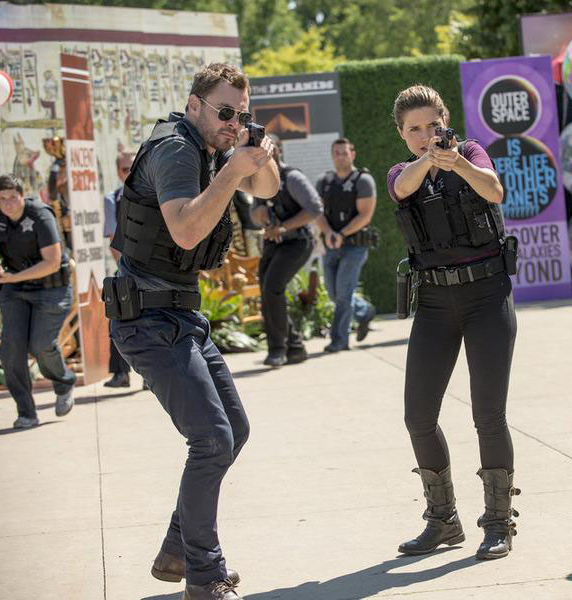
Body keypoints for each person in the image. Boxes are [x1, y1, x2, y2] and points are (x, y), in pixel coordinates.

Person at [106, 63, 278, 600]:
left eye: (240, 114)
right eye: (224, 112)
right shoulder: (178, 150)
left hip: (179, 316)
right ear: (195, 104)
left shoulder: (213, 149)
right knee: (211, 440)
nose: (232, 123)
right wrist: (232, 171)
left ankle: (179, 548)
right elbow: (183, 230)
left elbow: (268, 189)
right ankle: (204, 577)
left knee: (234, 430)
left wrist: (256, 152)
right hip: (147, 318)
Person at [387, 85, 520, 560]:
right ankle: (443, 521)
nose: (426, 136)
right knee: (418, 416)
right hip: (437, 305)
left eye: (431, 126)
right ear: (403, 135)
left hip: (487, 296)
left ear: (446, 122)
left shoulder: (470, 153)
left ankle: (499, 522)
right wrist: (429, 160)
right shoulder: (402, 171)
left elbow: (495, 189)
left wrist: (457, 162)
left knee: (488, 414)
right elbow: (402, 189)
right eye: (414, 130)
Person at [0, 174, 75, 429]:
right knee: (11, 352)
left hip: (51, 289)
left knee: (40, 345)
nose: (7, 204)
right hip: (14, 291)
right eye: (2, 199)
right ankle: (26, 412)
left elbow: (52, 262)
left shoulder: (40, 215)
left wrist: (15, 276)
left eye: (12, 197)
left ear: (22, 194)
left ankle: (63, 382)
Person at [250, 137, 323, 367]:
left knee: (273, 286)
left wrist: (283, 227)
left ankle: (278, 349)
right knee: (267, 290)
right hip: (275, 242)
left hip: (298, 242)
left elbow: (315, 208)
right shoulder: (258, 182)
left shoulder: (292, 177)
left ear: (278, 151)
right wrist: (259, 215)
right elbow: (254, 215)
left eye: (271, 149)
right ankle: (295, 346)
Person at [315, 138, 377, 352]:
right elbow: (318, 212)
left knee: (342, 293)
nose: (340, 156)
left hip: (355, 245)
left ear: (353, 154)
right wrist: (330, 232)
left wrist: (341, 233)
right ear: (332, 156)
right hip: (331, 243)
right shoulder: (324, 181)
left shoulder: (363, 180)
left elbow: (365, 215)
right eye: (337, 153)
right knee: (333, 293)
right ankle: (364, 311)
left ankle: (339, 340)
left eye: (344, 152)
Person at [102, 151, 135, 387]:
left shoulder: (156, 192)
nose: (130, 173)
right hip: (127, 268)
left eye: (133, 168)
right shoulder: (112, 199)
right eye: (125, 169)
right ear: (117, 172)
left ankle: (149, 376)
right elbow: (114, 239)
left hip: (157, 269)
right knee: (117, 317)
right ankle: (120, 373)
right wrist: (127, 270)